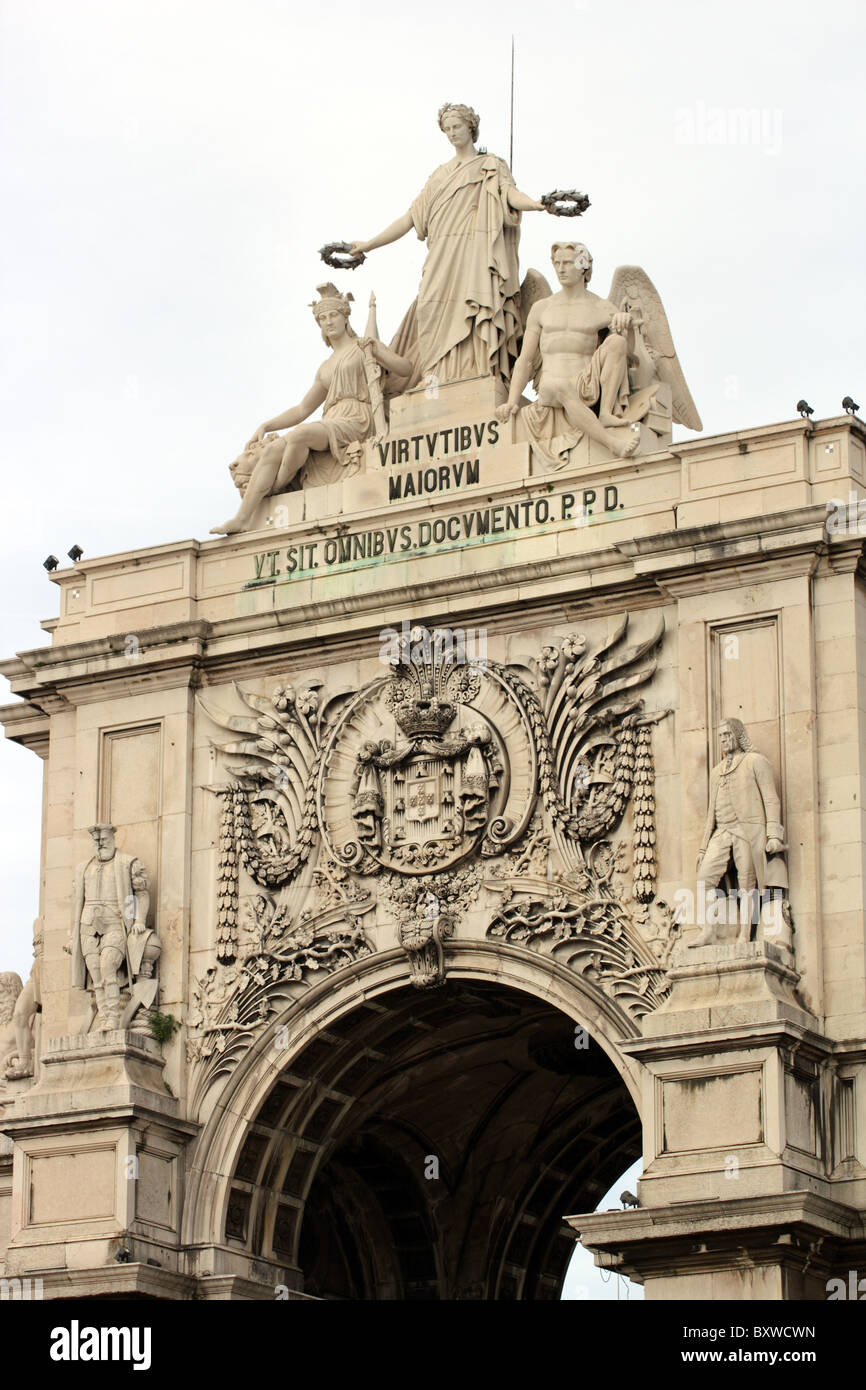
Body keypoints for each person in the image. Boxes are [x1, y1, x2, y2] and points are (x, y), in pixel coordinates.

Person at [349, 103, 547, 387]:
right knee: (431, 309)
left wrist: (536, 205)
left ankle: (473, 372)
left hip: (476, 252)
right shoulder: (439, 176)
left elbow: (509, 195)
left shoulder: (490, 165)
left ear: (471, 127)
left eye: (457, 127)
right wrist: (369, 244)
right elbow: (409, 218)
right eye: (447, 129)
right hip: (441, 255)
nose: (453, 134)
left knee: (476, 304)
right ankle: (436, 378)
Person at [210, 284, 410, 535]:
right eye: (322, 318)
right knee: (274, 448)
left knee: (300, 434)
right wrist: (266, 426)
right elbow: (303, 408)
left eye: (333, 315)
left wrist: (379, 350)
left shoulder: (363, 347)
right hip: (332, 420)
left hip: (357, 418)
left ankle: (274, 487)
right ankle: (242, 518)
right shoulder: (325, 367)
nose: (328, 322)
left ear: (345, 316)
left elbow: (406, 369)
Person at [497, 242, 640, 461]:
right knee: (558, 385)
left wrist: (626, 327)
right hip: (550, 386)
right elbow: (525, 360)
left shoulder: (601, 307)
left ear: (583, 267)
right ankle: (612, 444)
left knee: (616, 342)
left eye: (567, 263)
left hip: (584, 384)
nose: (560, 269)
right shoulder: (542, 308)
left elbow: (628, 354)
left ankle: (606, 413)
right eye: (557, 263)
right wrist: (512, 401)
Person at [691, 718, 787, 947]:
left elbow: (771, 799)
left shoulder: (755, 761)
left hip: (747, 831)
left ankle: (745, 934)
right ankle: (708, 930)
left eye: (727, 734)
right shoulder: (716, 772)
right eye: (721, 736)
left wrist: (774, 834)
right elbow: (710, 814)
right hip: (722, 832)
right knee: (704, 880)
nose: (724, 739)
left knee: (747, 885)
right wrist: (703, 848)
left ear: (738, 735)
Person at [67, 823, 156, 1030]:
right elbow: (76, 904)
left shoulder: (126, 863)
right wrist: (72, 936)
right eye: (97, 842)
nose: (100, 845)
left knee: (108, 966)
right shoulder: (83, 868)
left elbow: (141, 894)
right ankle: (104, 1017)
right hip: (87, 926)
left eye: (104, 841)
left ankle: (114, 1017)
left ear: (112, 840)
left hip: (116, 922)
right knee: (96, 975)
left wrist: (139, 920)